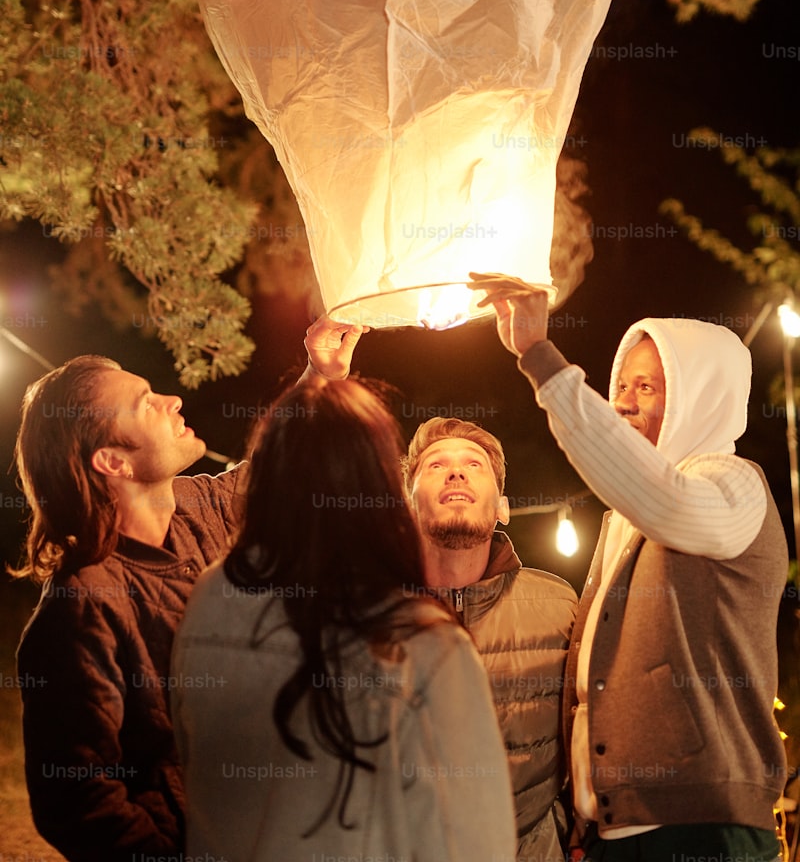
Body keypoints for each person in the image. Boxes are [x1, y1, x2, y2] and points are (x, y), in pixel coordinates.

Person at [476, 277, 787, 862]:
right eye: (620, 383)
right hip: (611, 834)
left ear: (703, 396)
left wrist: (539, 357)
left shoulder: (735, 485)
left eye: (646, 386)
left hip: (702, 829)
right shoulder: (625, 517)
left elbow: (667, 500)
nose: (621, 401)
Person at [12, 333, 345, 862]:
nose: (173, 402)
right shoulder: (84, 605)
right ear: (113, 463)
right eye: (147, 404)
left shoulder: (198, 507)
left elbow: (272, 468)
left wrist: (318, 375)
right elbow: (76, 797)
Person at [170, 375, 517, 862]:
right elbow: (474, 842)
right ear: (381, 487)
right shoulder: (421, 640)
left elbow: (191, 756)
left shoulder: (213, 595)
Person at [305, 315, 578, 862]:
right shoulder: (363, 609)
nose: (456, 475)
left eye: (474, 465)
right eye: (435, 466)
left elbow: (586, 741)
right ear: (407, 504)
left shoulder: (560, 605)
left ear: (502, 506)